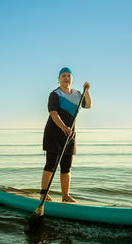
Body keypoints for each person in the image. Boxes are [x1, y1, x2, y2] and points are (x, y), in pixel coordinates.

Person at [40, 67, 92, 202]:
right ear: (59, 79)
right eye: (63, 76)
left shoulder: (77, 94)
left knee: (66, 167)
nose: (66, 78)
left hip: (70, 135)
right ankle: (43, 194)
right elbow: (53, 113)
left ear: (72, 79)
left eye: (69, 76)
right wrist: (63, 127)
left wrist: (87, 91)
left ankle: (65, 195)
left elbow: (88, 105)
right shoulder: (55, 94)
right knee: (51, 165)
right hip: (54, 134)